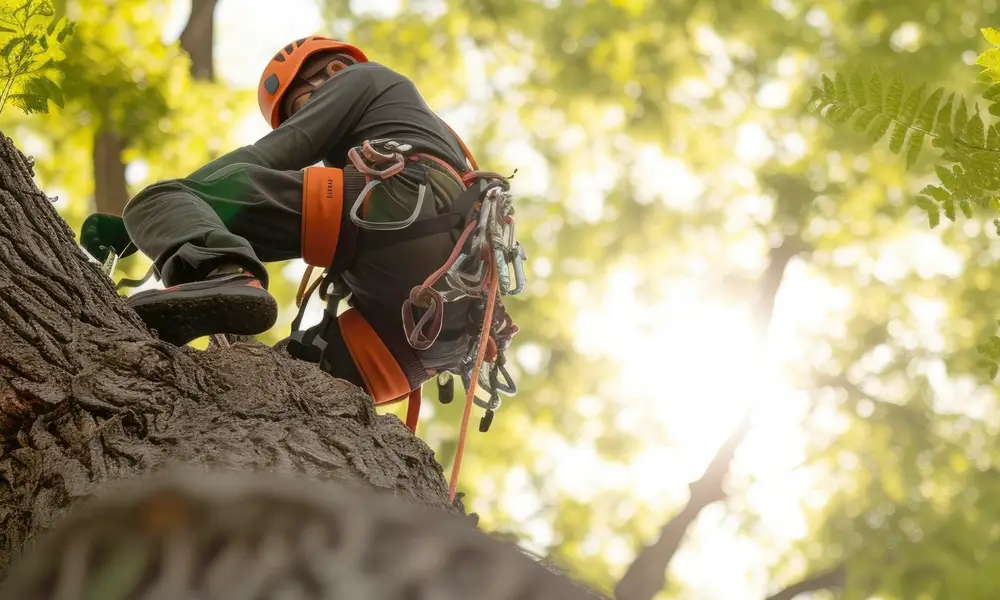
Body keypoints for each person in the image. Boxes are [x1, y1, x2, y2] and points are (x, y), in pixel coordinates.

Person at [114, 36, 522, 425]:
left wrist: (155, 216)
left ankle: (224, 272)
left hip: (396, 205)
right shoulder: (430, 132)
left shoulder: (363, 77)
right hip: (445, 327)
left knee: (158, 198)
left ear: (336, 70)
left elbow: (272, 154)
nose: (306, 118)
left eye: (304, 105)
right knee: (271, 387)